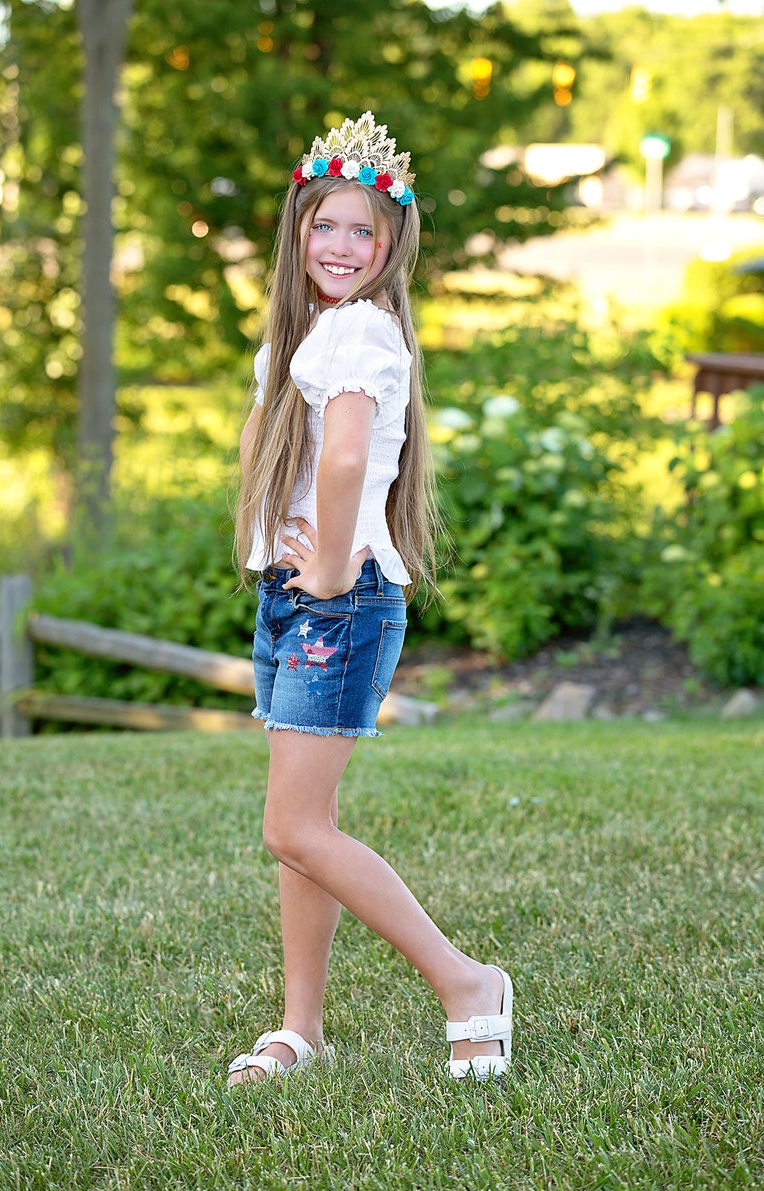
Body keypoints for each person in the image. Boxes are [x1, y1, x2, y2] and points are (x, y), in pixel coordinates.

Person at [230, 112, 512, 1085]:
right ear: (297, 232)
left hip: (335, 605)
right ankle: (301, 1026)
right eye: (326, 227)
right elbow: (271, 439)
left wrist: (323, 570)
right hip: (296, 598)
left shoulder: (357, 331)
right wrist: (266, 546)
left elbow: (347, 454)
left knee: (292, 829)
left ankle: (466, 981)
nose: (343, 247)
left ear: (390, 244)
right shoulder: (307, 333)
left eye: (364, 231)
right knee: (299, 827)